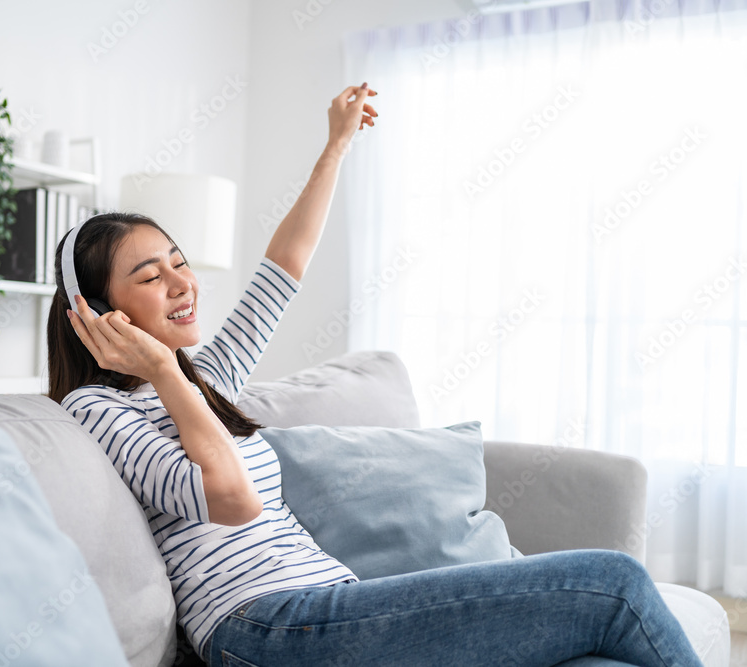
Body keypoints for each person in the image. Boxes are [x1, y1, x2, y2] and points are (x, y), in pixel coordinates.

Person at [45, 84, 704, 667]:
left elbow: (285, 265)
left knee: (597, 644)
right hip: (265, 627)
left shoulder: (204, 381)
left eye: (179, 261)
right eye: (149, 275)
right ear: (98, 312)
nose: (182, 283)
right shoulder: (99, 410)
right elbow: (233, 498)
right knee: (614, 585)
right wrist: (161, 368)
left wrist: (336, 145)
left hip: (330, 602)